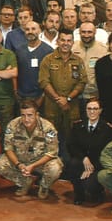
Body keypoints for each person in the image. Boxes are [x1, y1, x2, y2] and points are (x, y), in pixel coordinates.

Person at [0, 99, 63, 199]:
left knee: (55, 168)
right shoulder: (13, 125)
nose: (26, 119)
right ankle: (25, 182)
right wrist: (19, 164)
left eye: (30, 115)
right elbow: (8, 149)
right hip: (20, 160)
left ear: (37, 115)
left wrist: (33, 166)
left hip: (40, 162)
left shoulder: (48, 128)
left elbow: (51, 153)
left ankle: (44, 186)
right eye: (23, 115)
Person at [38, 29, 86, 157]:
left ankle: (69, 169)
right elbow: (43, 81)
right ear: (58, 41)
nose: (65, 43)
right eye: (63, 40)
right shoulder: (48, 60)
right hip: (52, 108)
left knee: (72, 141)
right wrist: (59, 99)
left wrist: (68, 99)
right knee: (50, 140)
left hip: (72, 107)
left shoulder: (78, 61)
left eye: (69, 40)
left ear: (73, 42)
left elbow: (82, 82)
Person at [63, 98, 112, 205]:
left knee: (90, 185)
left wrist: (92, 168)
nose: (92, 111)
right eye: (89, 108)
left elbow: (107, 153)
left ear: (100, 110)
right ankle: (79, 193)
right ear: (86, 110)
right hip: (82, 162)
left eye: (95, 109)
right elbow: (71, 145)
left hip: (98, 165)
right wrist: (84, 158)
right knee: (72, 164)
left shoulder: (108, 129)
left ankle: (98, 193)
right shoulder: (78, 125)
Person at [12, 20, 52, 107]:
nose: (30, 32)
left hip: (41, 96)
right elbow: (14, 72)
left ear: (40, 31)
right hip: (22, 96)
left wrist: (43, 96)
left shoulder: (48, 51)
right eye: (27, 29)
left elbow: (51, 77)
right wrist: (15, 91)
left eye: (33, 29)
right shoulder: (19, 50)